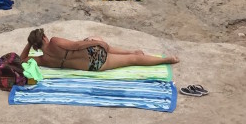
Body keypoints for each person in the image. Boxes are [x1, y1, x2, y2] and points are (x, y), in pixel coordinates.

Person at [20, 29, 179, 71]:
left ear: (34, 46)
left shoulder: (43, 60)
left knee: (132, 61)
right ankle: (166, 59)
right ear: (44, 38)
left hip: (94, 66)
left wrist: (28, 44)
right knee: (98, 40)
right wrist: (96, 42)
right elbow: (76, 46)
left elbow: (21, 60)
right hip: (92, 52)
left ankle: (164, 60)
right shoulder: (54, 41)